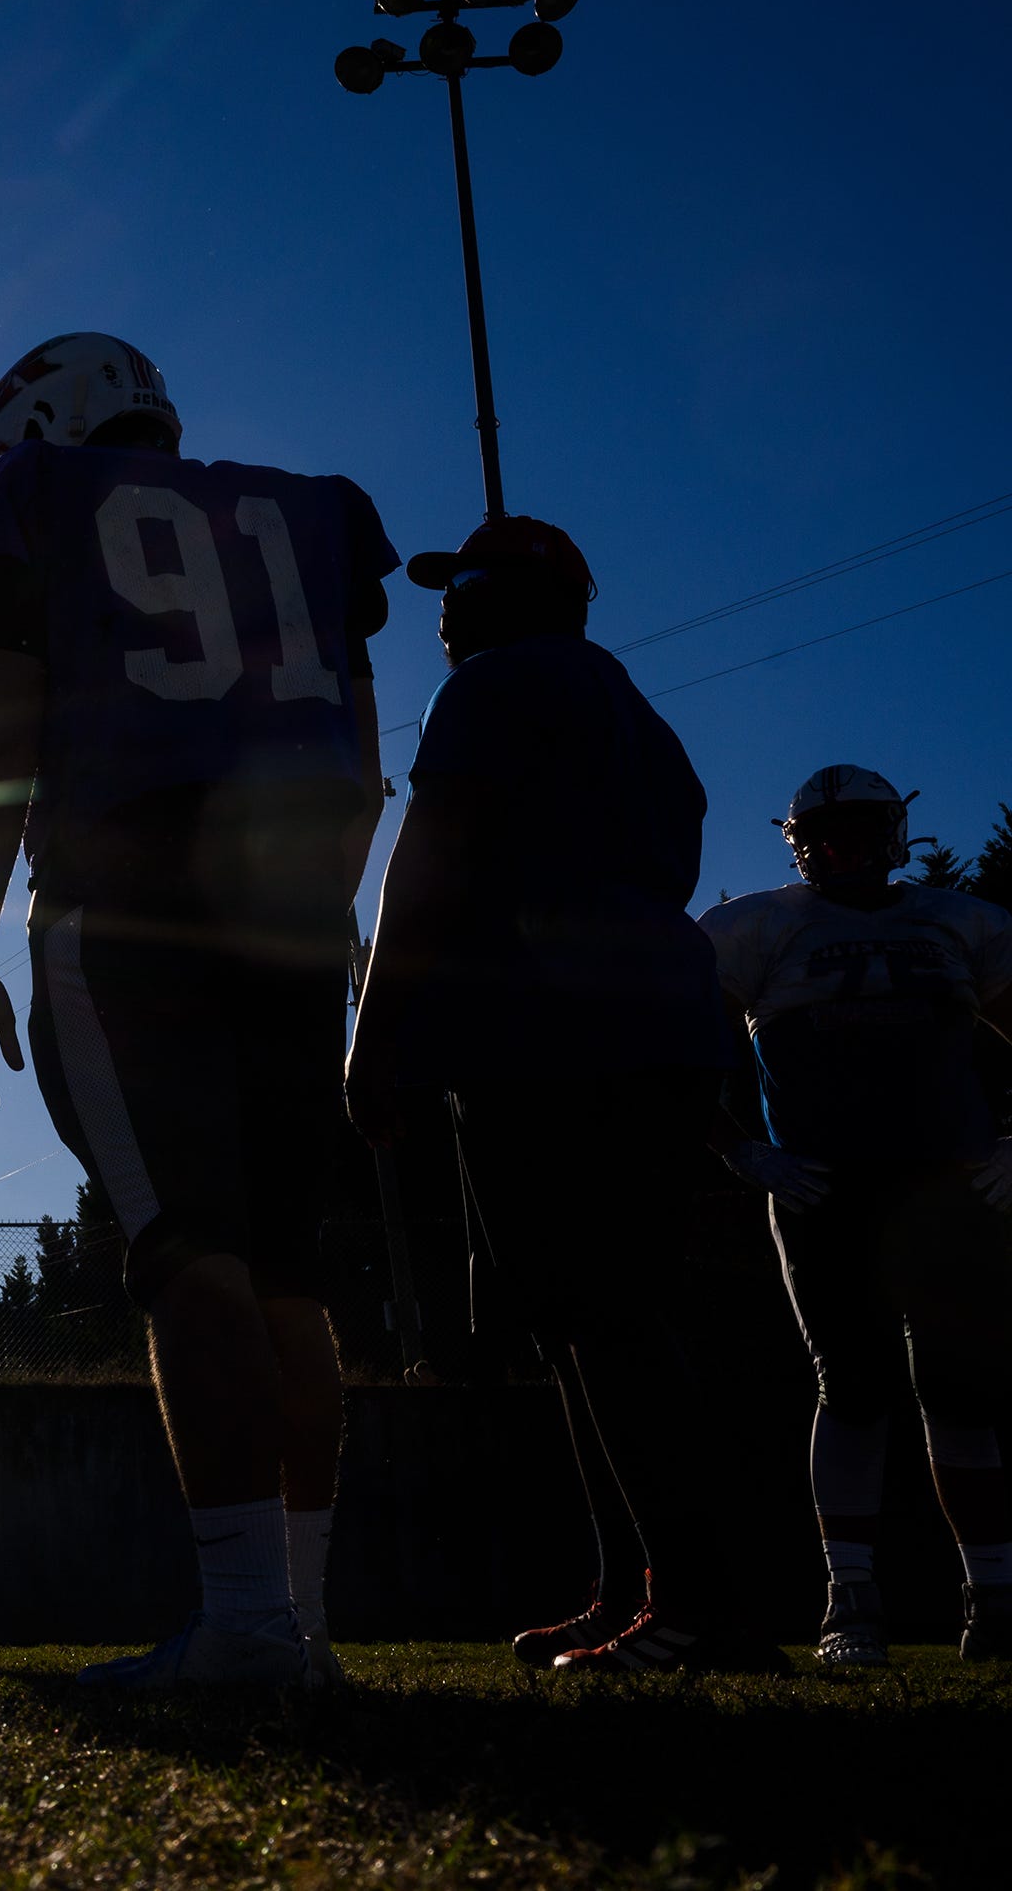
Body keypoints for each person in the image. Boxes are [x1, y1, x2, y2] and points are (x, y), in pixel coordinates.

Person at [0, 334, 390, 1689]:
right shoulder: (315, 513)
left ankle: (245, 1624)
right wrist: (323, 915)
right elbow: (359, 766)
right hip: (293, 903)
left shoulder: (24, 505)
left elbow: (2, 726)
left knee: (189, 1253)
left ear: (48, 420)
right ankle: (302, 1626)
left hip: (126, 894)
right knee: (288, 1277)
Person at [347, 515, 779, 1674]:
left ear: (531, 595)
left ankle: (704, 1606)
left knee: (611, 1323)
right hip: (659, 1031)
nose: (446, 607)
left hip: (551, 1038)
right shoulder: (641, 719)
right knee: (592, 1325)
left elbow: (428, 854)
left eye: (467, 582)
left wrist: (376, 1032)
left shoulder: (494, 685)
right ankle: (640, 1591)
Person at [700, 766, 1012, 1664]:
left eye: (858, 830)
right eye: (823, 834)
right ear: (797, 843)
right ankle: (853, 1603)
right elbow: (674, 1055)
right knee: (854, 1388)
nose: (839, 850)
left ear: (895, 831)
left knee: (961, 1391)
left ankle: (993, 1595)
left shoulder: (963, 921)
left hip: (948, 1186)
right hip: (822, 1185)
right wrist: (738, 1149)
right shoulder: (757, 927)